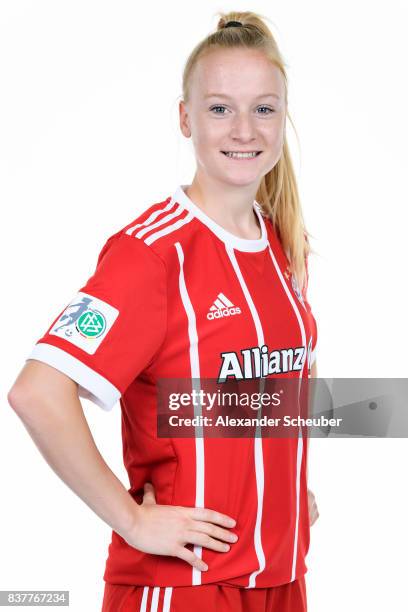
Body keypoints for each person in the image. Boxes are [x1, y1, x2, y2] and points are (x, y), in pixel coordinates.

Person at [8, 10, 319, 612]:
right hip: (184, 586)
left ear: (284, 118)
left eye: (264, 108)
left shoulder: (281, 245)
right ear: (186, 118)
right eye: (220, 107)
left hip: (281, 579)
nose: (245, 129)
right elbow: (38, 392)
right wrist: (133, 521)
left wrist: (287, 486)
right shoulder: (152, 254)